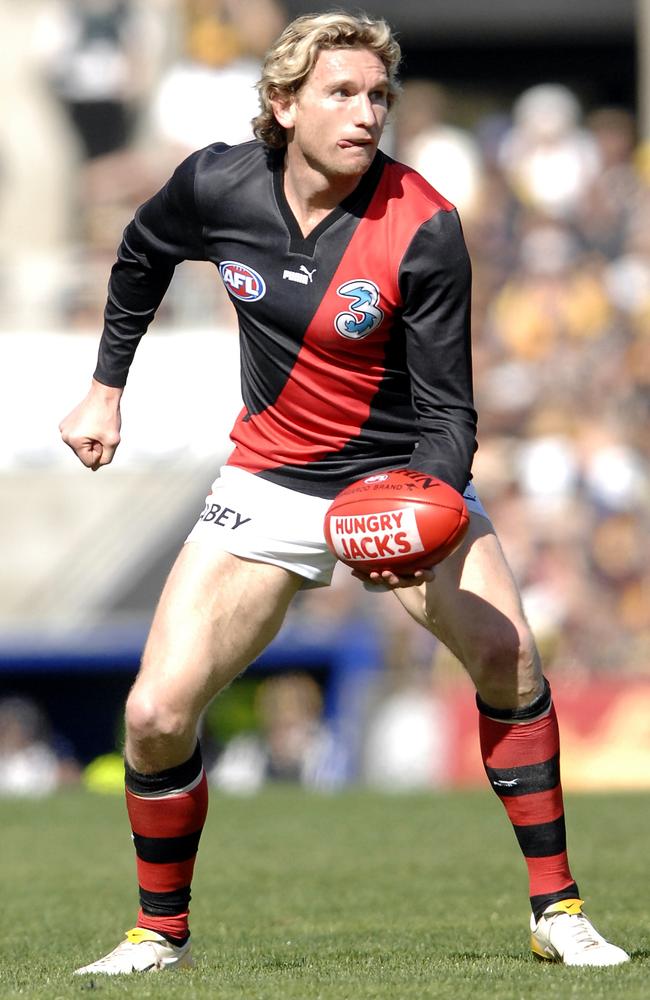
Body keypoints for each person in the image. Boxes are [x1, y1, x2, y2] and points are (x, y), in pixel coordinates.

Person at [60, 10, 629, 974]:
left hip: (395, 475)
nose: (367, 114)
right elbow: (142, 253)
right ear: (283, 104)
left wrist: (422, 508)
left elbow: (452, 413)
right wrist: (106, 386)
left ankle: (556, 909)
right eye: (342, 93)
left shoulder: (426, 225)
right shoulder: (215, 181)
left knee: (510, 656)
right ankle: (159, 935)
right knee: (154, 716)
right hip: (268, 480)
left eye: (379, 96)